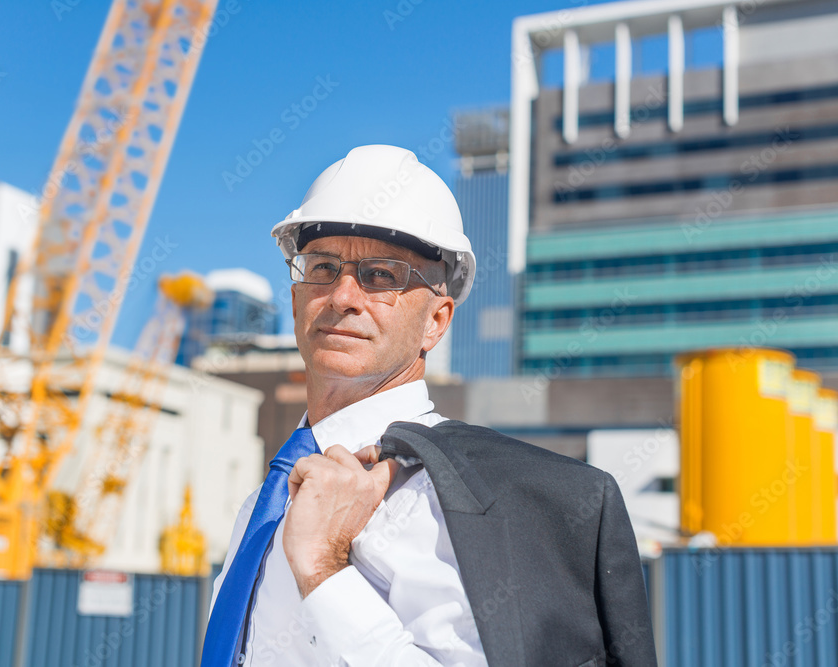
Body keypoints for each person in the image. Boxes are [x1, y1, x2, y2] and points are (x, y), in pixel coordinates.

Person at [201, 145, 656, 666]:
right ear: (296, 297)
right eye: (322, 267)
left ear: (436, 322)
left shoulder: (462, 503)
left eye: (381, 276)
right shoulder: (263, 502)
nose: (343, 295)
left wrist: (325, 570)